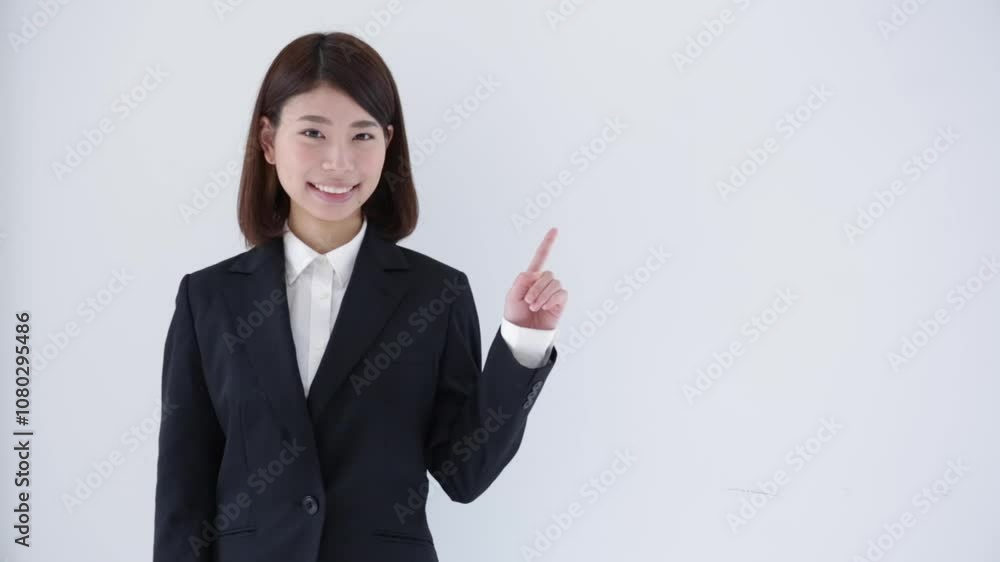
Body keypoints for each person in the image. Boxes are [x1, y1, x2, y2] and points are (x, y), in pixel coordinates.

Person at [153, 31, 568, 562]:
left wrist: (524, 342)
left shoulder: (435, 295)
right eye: (313, 133)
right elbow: (183, 491)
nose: (339, 162)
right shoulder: (208, 298)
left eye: (363, 136)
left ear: (387, 143)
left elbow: (464, 473)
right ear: (268, 140)